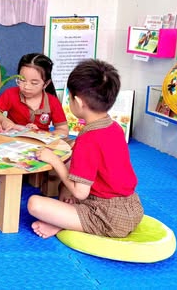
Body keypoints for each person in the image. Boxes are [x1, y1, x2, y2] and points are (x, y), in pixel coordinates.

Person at [27, 59, 143, 239]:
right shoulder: (114, 127)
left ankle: (63, 224)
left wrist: (55, 161)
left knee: (35, 204)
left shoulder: (88, 139)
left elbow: (80, 193)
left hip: (109, 217)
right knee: (66, 182)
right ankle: (65, 220)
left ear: (78, 102)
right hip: (132, 207)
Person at [0, 53, 68, 135]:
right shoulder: (10, 94)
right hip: (13, 139)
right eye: (22, 80)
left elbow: (63, 131)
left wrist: (40, 133)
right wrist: (4, 120)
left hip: (40, 142)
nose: (26, 87)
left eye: (34, 83)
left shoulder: (53, 102)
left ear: (46, 83)